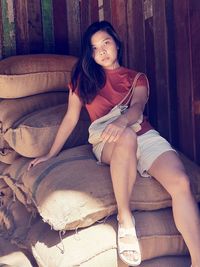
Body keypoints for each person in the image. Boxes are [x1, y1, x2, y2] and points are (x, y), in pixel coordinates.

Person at [28, 21, 200, 266]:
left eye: (106, 43)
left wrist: (122, 120)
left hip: (143, 133)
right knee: (126, 137)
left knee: (181, 182)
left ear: (117, 43)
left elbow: (138, 107)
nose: (102, 51)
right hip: (106, 139)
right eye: (94, 48)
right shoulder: (82, 79)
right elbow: (70, 118)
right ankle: (125, 217)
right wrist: (50, 154)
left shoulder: (136, 77)